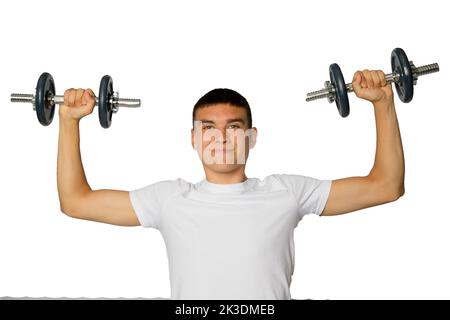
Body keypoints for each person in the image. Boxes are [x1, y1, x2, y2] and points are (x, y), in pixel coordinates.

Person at [57, 70, 405, 299]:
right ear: (193, 139)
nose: (221, 138)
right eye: (208, 128)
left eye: (234, 128)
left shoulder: (287, 192)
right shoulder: (168, 199)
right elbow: (76, 201)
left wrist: (383, 103)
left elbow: (385, 185)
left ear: (252, 138)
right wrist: (69, 120)